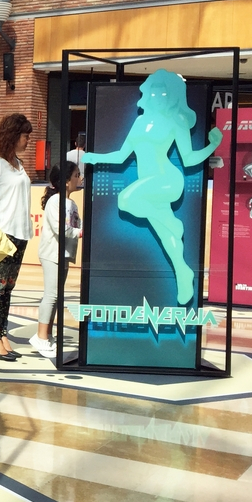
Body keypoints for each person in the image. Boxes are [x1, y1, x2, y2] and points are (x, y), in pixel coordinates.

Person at [84, 69, 222, 305]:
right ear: (149, 93)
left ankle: (173, 224)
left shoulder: (175, 121)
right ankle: (183, 272)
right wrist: (94, 157)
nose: (158, 97)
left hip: (167, 180)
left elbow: (188, 159)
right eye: (155, 92)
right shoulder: (139, 122)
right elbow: (121, 155)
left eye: (164, 93)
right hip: (149, 188)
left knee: (125, 200)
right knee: (165, 234)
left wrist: (212, 146)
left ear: (172, 97)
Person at [0, 113, 34, 361]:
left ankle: (2, 333)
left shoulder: (18, 163)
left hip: (21, 233)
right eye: (25, 136)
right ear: (12, 135)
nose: (28, 140)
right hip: (2, 234)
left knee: (7, 289)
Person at [30, 162, 82, 358]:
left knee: (57, 295)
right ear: (66, 181)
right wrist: (80, 232)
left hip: (64, 254)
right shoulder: (55, 202)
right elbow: (61, 228)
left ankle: (48, 335)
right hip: (52, 254)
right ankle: (41, 337)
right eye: (76, 175)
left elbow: (75, 225)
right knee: (51, 295)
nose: (80, 179)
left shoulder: (71, 203)